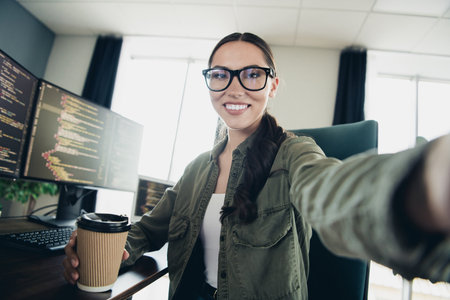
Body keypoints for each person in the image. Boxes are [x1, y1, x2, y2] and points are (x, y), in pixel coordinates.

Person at [63, 32, 450, 299]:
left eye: (251, 74)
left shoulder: (295, 153)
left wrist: (425, 188)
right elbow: (146, 231)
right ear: (210, 83)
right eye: (220, 75)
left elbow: (329, 190)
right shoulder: (197, 169)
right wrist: (99, 250)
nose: (234, 88)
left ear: (272, 85)